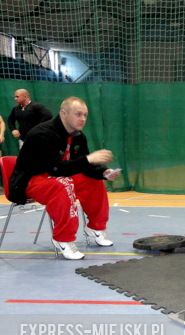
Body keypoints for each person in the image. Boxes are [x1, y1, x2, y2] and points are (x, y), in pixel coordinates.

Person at [8, 96, 120, 260]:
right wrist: (88, 159)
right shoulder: (42, 134)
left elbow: (82, 166)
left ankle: (96, 227)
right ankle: (63, 239)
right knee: (63, 184)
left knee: (93, 181)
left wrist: (103, 172)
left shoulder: (78, 136)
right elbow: (54, 169)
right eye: (78, 114)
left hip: (59, 176)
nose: (82, 119)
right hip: (30, 180)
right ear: (63, 113)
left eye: (85, 115)